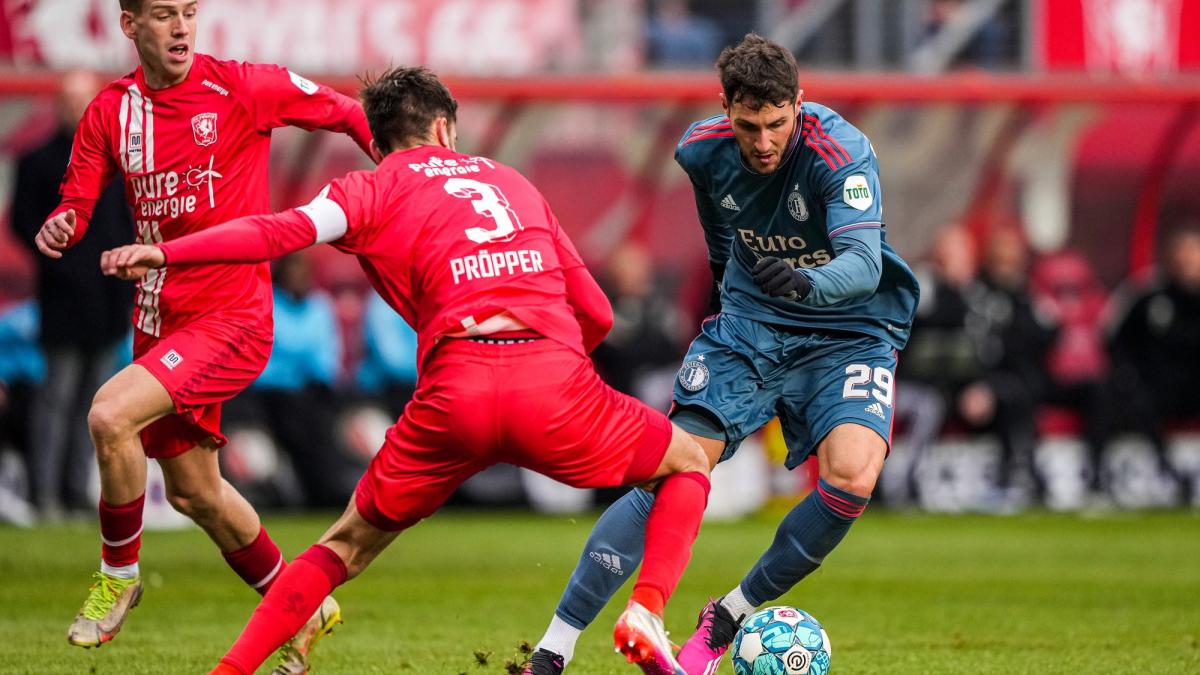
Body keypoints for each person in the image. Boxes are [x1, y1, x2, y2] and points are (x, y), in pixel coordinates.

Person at [99, 65, 713, 675]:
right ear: (444, 128)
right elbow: (599, 315)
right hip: (551, 383)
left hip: (455, 391)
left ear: (377, 138)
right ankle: (646, 610)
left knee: (342, 548)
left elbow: (275, 233)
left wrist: (168, 252)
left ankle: (228, 671)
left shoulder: (368, 188)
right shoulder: (513, 182)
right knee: (686, 463)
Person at [520, 33, 920, 675]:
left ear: (799, 104)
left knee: (853, 475)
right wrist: (734, 309)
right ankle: (553, 649)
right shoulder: (700, 153)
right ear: (726, 111)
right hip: (752, 328)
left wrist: (807, 284)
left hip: (848, 330)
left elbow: (866, 265)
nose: (763, 142)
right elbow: (720, 241)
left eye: (776, 124)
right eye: (748, 126)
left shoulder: (841, 151)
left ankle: (729, 613)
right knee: (674, 464)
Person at [32, 0, 373, 667]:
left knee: (108, 414)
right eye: (164, 14)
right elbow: (77, 203)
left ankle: (118, 577)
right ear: (130, 25)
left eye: (190, 11)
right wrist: (61, 227)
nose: (182, 26)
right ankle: (302, 602)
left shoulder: (244, 87)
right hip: (159, 320)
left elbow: (347, 111)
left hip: (234, 317)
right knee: (194, 491)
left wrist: (408, 171)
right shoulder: (111, 112)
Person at [11, 68, 133, 521]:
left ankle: (79, 490)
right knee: (56, 400)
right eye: (69, 100)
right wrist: (58, 262)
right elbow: (24, 222)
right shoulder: (39, 161)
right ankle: (44, 492)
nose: (76, 109)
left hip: (108, 301)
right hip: (62, 301)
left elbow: (130, 221)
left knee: (96, 407)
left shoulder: (117, 161)